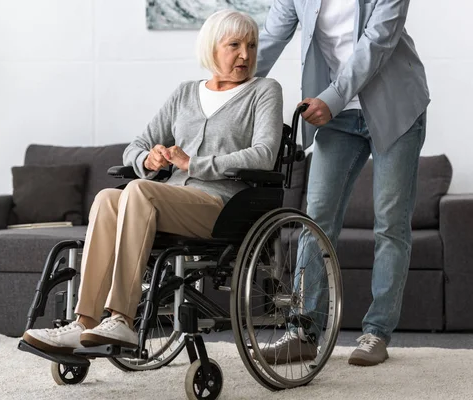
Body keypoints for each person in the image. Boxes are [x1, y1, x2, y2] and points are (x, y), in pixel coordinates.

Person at [22, 9, 284, 353]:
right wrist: (147, 159)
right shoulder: (185, 93)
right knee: (106, 198)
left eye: (251, 45)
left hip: (224, 207)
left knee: (139, 192)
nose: (245, 55)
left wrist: (195, 163)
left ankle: (121, 319)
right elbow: (137, 146)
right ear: (211, 47)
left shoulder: (264, 91)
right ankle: (84, 322)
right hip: (169, 201)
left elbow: (264, 153)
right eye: (234, 44)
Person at [256, 0, 429, 366]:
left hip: (394, 104)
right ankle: (303, 330)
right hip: (336, 114)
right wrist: (230, 89)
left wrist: (332, 99)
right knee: (316, 218)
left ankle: (376, 332)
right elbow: (268, 40)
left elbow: (376, 44)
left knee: (390, 222)